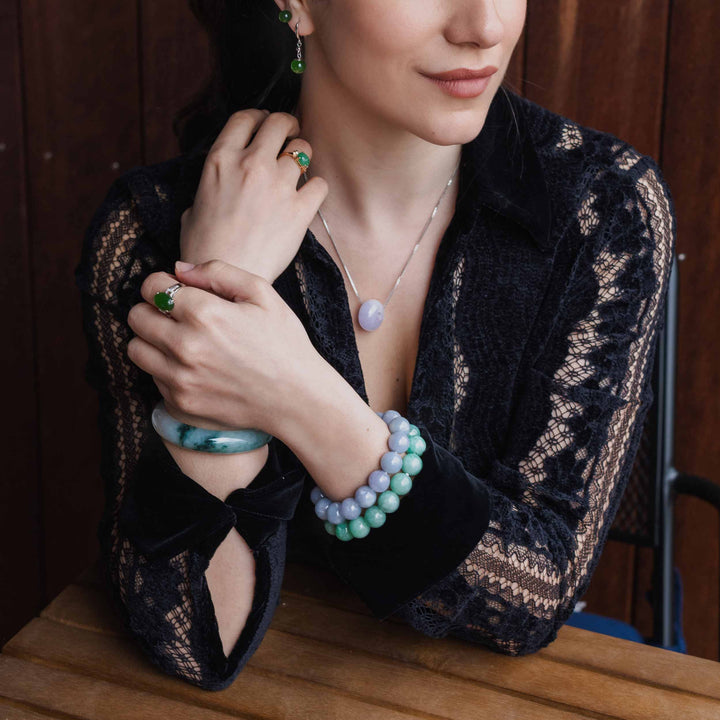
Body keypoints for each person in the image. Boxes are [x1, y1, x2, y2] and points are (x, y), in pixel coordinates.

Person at [74, 0, 676, 691]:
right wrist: (217, 295)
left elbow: (533, 597)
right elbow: (189, 641)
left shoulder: (605, 208)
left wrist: (297, 397)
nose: (484, 27)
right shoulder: (155, 231)